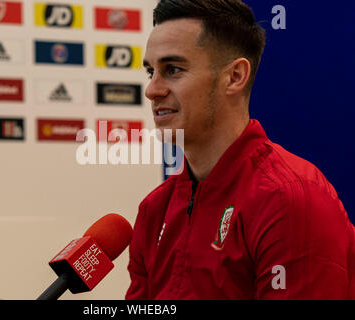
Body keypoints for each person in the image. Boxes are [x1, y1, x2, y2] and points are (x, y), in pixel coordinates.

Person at [126, 0, 354, 299]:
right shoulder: (154, 210)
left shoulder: (289, 198)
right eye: (150, 72)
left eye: (173, 69)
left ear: (234, 77)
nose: (152, 90)